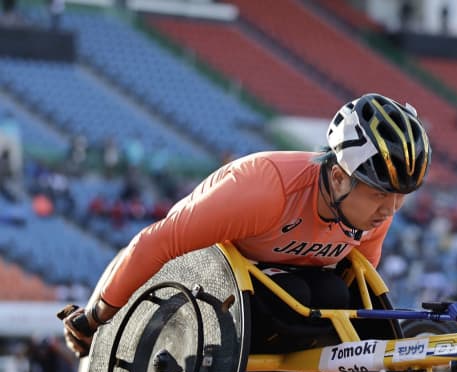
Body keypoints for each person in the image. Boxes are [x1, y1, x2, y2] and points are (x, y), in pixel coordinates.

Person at [62, 93, 431, 357]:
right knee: (299, 296)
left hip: (281, 283)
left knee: (333, 295)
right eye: (380, 195)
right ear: (338, 178)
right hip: (211, 274)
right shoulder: (264, 191)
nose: (390, 210)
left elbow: (359, 285)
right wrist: (95, 316)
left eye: (401, 197)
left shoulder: (371, 215)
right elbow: (157, 242)